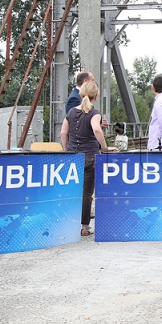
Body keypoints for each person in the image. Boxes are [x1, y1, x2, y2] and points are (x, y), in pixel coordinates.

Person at [60, 81, 118, 236]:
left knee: (72, 192)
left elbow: (63, 134)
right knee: (86, 194)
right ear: (96, 96)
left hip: (73, 157)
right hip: (90, 158)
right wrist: (105, 148)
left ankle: (68, 223)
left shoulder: (71, 112)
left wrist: (67, 150)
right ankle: (84, 227)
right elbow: (96, 129)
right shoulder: (94, 113)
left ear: (80, 95)